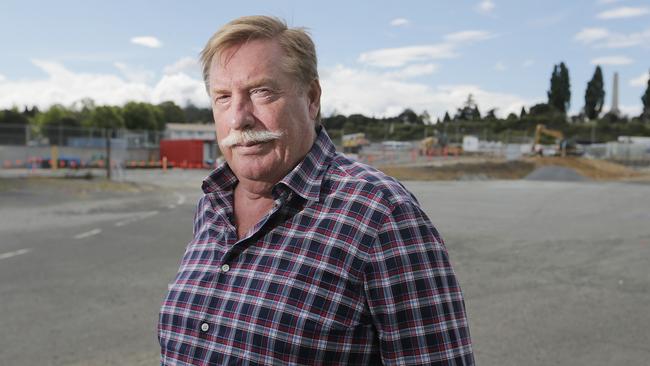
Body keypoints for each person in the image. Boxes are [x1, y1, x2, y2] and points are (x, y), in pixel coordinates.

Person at [158, 15, 474, 365]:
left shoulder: (381, 215)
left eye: (261, 92)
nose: (238, 118)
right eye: (222, 97)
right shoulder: (212, 205)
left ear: (311, 98)